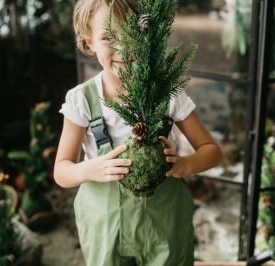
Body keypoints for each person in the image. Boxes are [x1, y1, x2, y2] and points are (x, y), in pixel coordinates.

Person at [53, 0, 223, 265]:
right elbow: (61, 171)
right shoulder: (82, 100)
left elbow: (212, 152)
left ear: (148, 37)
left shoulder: (168, 95)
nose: (124, 47)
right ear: (89, 41)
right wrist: (90, 169)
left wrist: (185, 164)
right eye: (108, 36)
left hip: (165, 225)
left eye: (133, 34)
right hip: (106, 228)